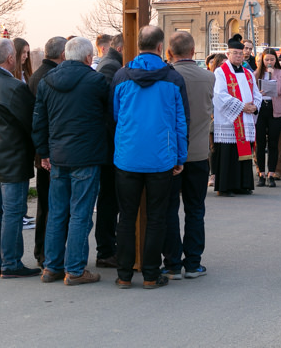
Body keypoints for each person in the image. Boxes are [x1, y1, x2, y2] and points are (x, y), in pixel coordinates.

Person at [111, 26, 188, 289]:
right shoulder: (173, 78)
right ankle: (151, 275)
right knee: (157, 217)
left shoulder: (122, 76)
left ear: (138, 46)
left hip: (127, 156)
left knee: (126, 216)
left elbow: (115, 115)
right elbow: (181, 121)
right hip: (161, 158)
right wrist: (180, 156)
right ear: (159, 47)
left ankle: (123, 275)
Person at [32, 37, 109, 286]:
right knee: (81, 214)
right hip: (86, 155)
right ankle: (75, 269)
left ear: (65, 56)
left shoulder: (46, 81)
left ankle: (52, 266)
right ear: (89, 58)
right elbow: (109, 117)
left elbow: (39, 121)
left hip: (58, 155)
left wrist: (44, 152)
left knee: (57, 212)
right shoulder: (96, 81)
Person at [0, 38, 39, 278]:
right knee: (12, 211)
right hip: (12, 156)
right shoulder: (13, 87)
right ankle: (10, 262)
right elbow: (30, 121)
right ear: (10, 58)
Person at [161, 32, 215, 280]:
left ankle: (172, 263)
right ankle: (193, 262)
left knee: (170, 208)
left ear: (169, 52)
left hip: (170, 154)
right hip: (198, 152)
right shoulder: (208, 76)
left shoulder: (165, 76)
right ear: (194, 51)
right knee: (195, 209)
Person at [28, 36, 67, 267]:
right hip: (51, 153)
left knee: (45, 204)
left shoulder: (36, 75)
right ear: (63, 55)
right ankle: (47, 255)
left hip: (42, 152)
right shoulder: (51, 77)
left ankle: (41, 252)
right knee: (54, 206)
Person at [212, 34, 262, 197]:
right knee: (229, 153)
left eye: (241, 54)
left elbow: (257, 93)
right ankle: (226, 186)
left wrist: (254, 106)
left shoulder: (248, 73)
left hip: (245, 119)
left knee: (244, 153)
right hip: (229, 120)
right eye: (235, 53)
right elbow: (220, 95)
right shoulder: (221, 72)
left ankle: (243, 184)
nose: (239, 56)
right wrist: (242, 107)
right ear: (228, 54)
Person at [93, 33, 123, 268]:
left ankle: (108, 247)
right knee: (109, 199)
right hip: (109, 142)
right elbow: (107, 106)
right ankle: (106, 249)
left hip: (108, 141)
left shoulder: (110, 63)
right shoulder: (111, 66)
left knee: (110, 198)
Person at [254, 48, 281, 187]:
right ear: (262, 60)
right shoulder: (256, 73)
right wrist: (258, 92)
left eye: (272, 59)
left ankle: (272, 174)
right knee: (260, 143)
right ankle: (261, 173)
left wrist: (273, 76)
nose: (269, 62)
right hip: (261, 109)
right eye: (267, 59)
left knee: (274, 143)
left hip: (275, 109)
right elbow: (251, 90)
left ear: (276, 60)